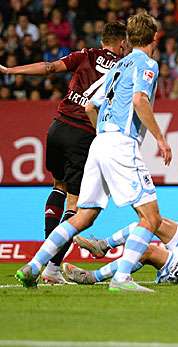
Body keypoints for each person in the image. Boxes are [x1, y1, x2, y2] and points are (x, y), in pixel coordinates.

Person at [15, 11, 172, 293]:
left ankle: (34, 266)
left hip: (99, 142)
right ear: (155, 37)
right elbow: (139, 99)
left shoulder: (118, 66)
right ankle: (121, 278)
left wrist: (103, 136)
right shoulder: (147, 63)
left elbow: (90, 105)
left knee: (83, 215)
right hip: (121, 144)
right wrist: (161, 139)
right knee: (151, 218)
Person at [1, 21, 127, 284]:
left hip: (57, 127)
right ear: (123, 43)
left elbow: (48, 68)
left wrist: (10, 69)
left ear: (103, 39)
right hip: (82, 135)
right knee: (75, 204)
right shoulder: (124, 67)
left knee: (58, 187)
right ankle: (52, 267)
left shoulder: (86, 55)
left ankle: (49, 263)